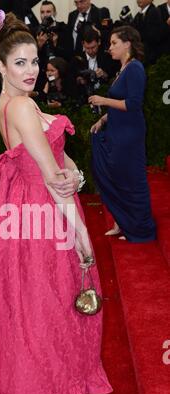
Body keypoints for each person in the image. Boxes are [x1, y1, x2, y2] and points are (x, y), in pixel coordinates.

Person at [0, 11, 112, 394]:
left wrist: (74, 172)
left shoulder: (15, 103)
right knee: (54, 311)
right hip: (44, 219)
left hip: (22, 215)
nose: (30, 70)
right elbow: (54, 179)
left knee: (29, 313)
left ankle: (54, 393)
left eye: (34, 62)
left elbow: (56, 158)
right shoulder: (22, 106)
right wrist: (81, 237)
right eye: (20, 63)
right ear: (1, 66)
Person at [89, 26, 156, 242]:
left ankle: (140, 229)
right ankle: (123, 222)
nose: (110, 48)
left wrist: (103, 101)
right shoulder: (124, 69)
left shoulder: (135, 68)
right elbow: (121, 104)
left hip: (129, 134)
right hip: (118, 130)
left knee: (132, 180)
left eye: (114, 43)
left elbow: (133, 104)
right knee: (117, 178)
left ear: (127, 44)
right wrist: (103, 118)